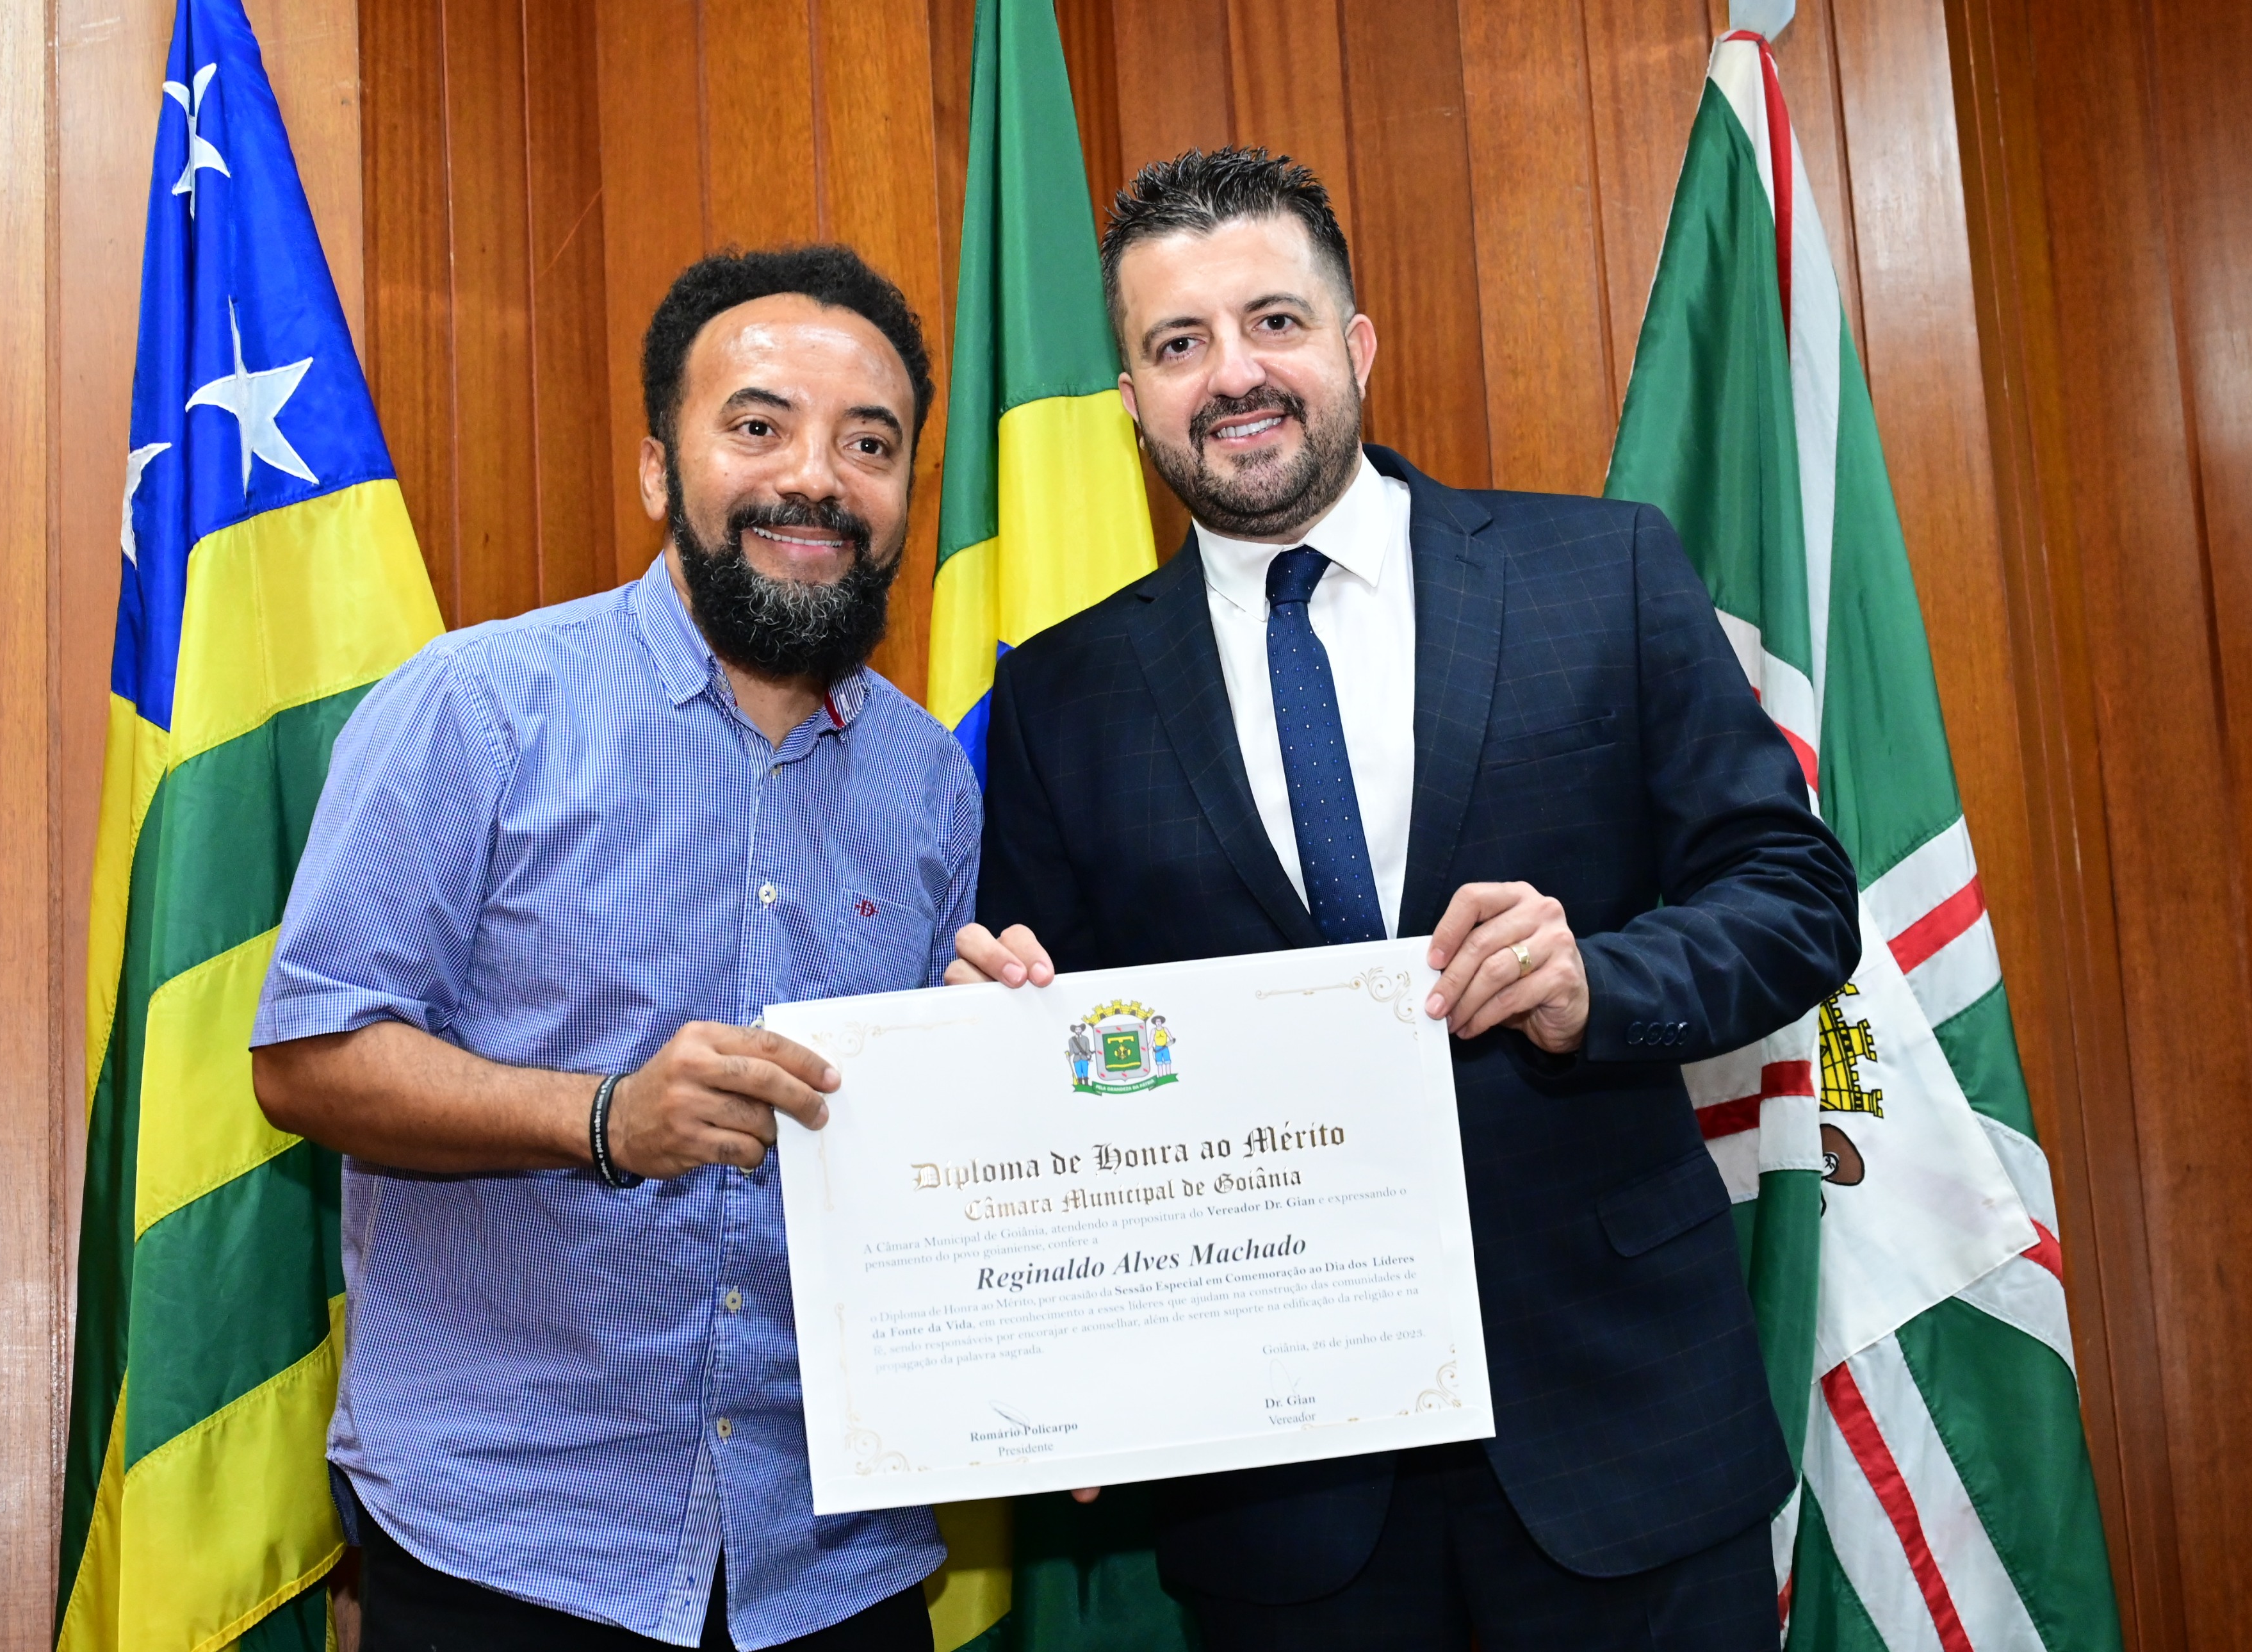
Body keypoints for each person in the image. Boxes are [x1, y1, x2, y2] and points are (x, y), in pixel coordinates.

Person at [949, 149, 1861, 1650]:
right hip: (1277, 1494)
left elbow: (1794, 893)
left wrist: (1597, 983)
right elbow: (1063, 1042)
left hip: (1616, 1434)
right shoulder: (1062, 694)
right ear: (1131, 401)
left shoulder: (1601, 571)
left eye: (1274, 322)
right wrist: (1009, 1038)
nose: (1233, 375)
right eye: (1178, 344)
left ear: (1356, 344)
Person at [252, 245, 984, 1652]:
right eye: (758, 425)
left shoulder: (930, 782)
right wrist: (604, 1119)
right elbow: (308, 1060)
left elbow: (900, 1157)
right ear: (659, 470)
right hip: (515, 1550)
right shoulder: (477, 707)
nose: (816, 478)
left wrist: (991, 1044)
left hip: (833, 1560)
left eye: (869, 443)